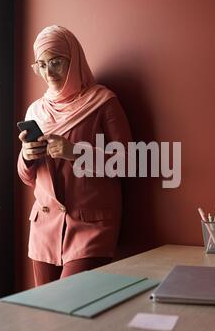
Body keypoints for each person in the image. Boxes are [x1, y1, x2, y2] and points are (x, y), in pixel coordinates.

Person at [17, 25, 132, 286]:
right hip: (44, 227)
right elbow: (27, 178)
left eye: (56, 62)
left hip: (90, 226)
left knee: (70, 309)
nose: (49, 73)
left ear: (74, 59)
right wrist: (26, 156)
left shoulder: (102, 101)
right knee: (46, 313)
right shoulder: (35, 110)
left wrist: (74, 152)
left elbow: (129, 161)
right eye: (42, 65)